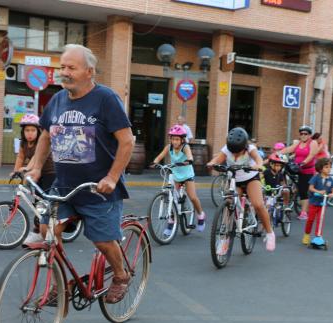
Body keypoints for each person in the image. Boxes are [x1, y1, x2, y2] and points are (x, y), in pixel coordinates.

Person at [27, 44, 135, 304]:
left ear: (89, 71)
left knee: (102, 241)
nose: (64, 72)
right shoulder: (57, 99)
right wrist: (37, 166)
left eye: (71, 68)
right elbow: (45, 134)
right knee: (46, 229)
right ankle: (59, 284)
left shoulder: (106, 99)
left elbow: (127, 141)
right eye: (62, 67)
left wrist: (111, 177)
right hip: (64, 187)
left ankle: (121, 275)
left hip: (98, 189)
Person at [207, 127, 276, 252]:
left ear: (244, 147)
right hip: (235, 180)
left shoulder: (251, 149)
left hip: (250, 178)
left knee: (258, 204)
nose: (234, 154)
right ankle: (224, 240)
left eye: (237, 152)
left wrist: (258, 165)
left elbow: (258, 160)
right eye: (232, 152)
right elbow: (217, 160)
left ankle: (270, 233)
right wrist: (211, 163)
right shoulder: (227, 149)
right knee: (229, 203)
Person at [150, 124, 206, 234]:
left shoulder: (185, 147)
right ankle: (171, 222)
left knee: (193, 197)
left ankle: (201, 215)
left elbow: (190, 157)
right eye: (172, 139)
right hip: (176, 175)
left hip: (187, 175)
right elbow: (160, 156)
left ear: (182, 140)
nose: (174, 141)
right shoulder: (169, 147)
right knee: (172, 198)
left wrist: (188, 160)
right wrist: (155, 162)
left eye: (177, 139)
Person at [13, 114, 57, 244]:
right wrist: (15, 171)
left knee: (45, 202)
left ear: (38, 131)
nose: (29, 134)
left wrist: (26, 169)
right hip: (36, 174)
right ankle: (39, 229)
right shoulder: (23, 143)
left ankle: (46, 229)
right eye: (27, 130)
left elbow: (34, 159)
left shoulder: (40, 143)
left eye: (32, 130)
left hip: (50, 173)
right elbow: (20, 157)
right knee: (37, 203)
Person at [279, 126, 319, 220]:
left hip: (307, 170)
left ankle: (304, 213)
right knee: (282, 173)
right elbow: (289, 149)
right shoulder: (298, 143)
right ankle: (289, 193)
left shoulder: (313, 143)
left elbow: (311, 155)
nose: (303, 135)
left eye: (306, 134)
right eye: (301, 134)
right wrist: (278, 153)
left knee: (303, 191)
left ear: (309, 135)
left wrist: (303, 163)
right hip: (296, 168)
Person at [302, 158, 333, 245]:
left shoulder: (331, 180)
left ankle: (318, 236)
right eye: (326, 167)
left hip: (323, 204)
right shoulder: (316, 177)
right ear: (320, 168)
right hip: (314, 202)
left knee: (320, 220)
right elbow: (310, 188)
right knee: (310, 219)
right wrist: (318, 192)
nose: (329, 169)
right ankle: (307, 235)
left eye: (330, 167)